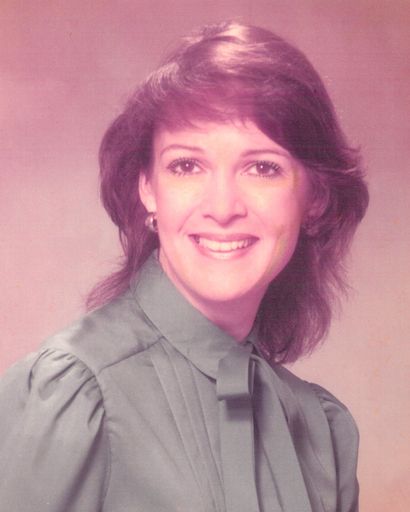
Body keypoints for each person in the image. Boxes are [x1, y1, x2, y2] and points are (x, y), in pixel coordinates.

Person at [0, 21, 369, 512]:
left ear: (315, 197)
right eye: (187, 165)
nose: (222, 207)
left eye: (262, 167)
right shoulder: (74, 393)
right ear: (148, 188)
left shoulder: (322, 431)